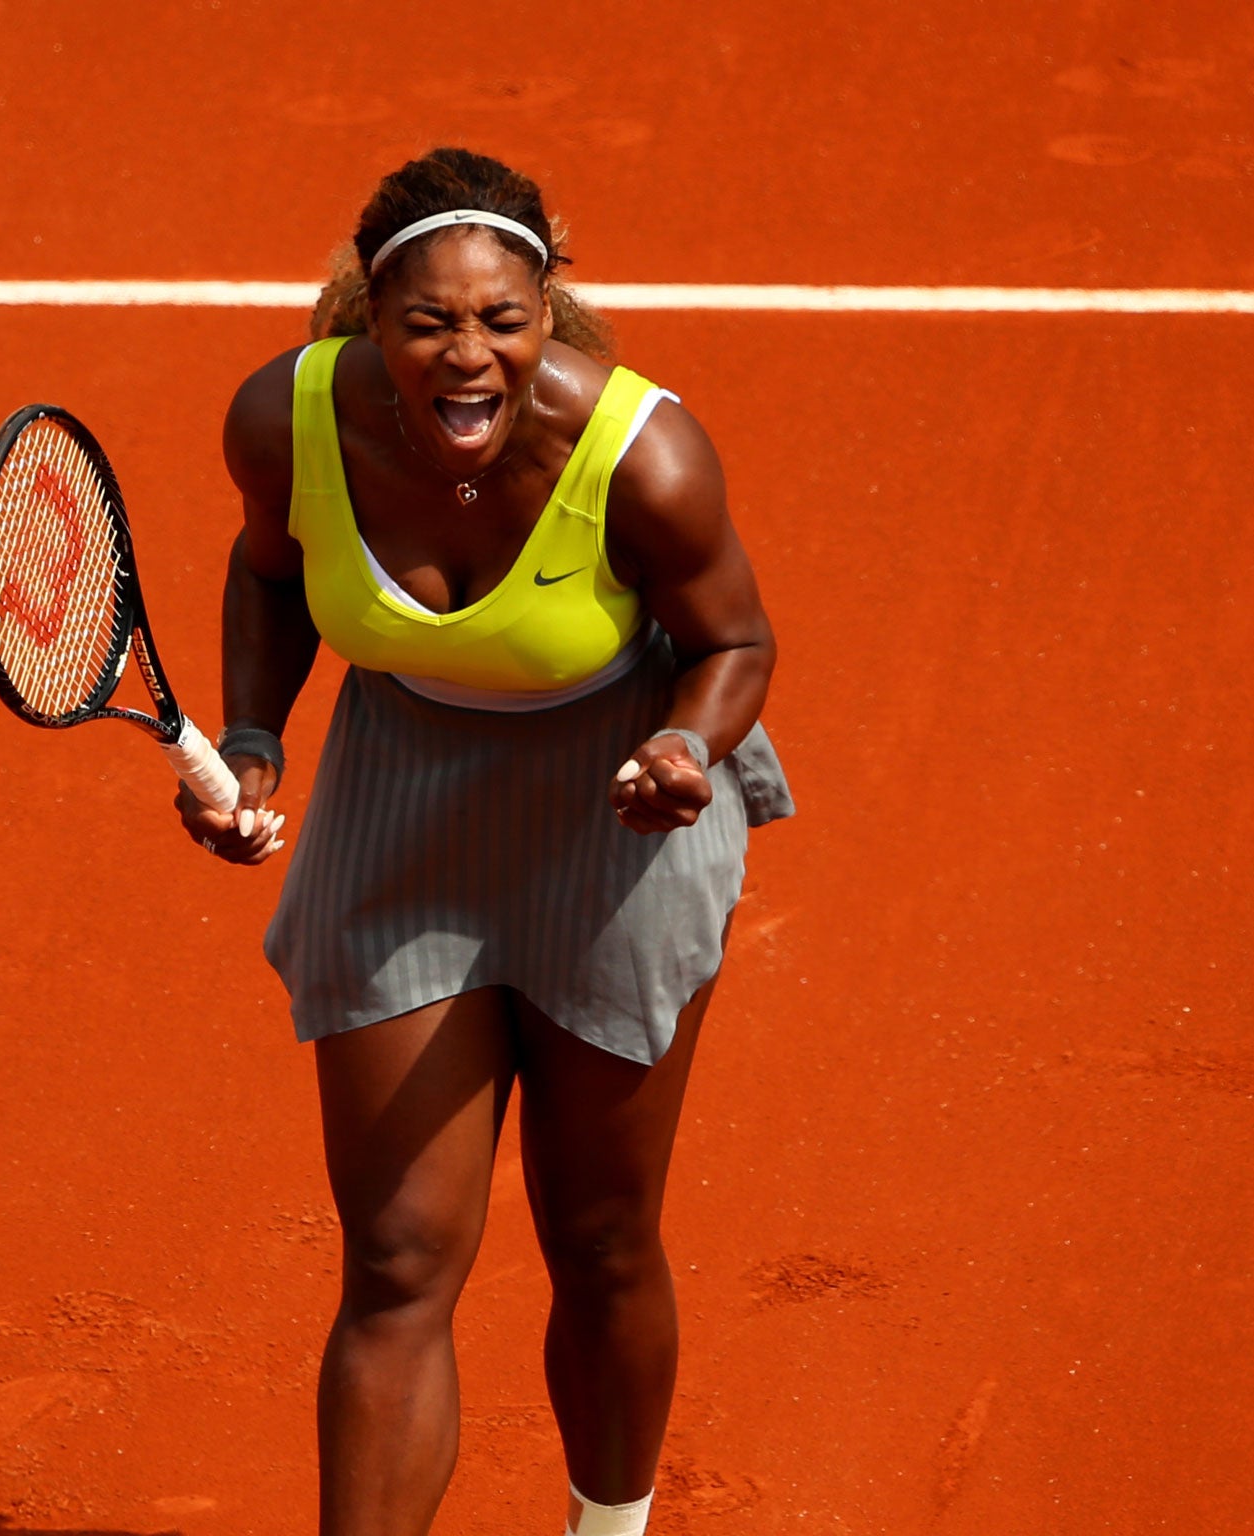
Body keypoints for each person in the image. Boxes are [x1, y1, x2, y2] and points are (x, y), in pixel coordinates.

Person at [177, 147, 792, 1536]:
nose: (469, 359)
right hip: (408, 810)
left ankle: (608, 1527)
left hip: (620, 808)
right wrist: (257, 737)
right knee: (396, 1257)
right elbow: (269, 569)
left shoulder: (646, 452)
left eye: (502, 322)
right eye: (430, 324)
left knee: (599, 1236)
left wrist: (687, 749)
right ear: (367, 318)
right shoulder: (287, 418)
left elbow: (736, 640)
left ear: (547, 314)